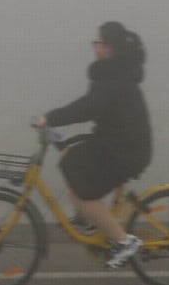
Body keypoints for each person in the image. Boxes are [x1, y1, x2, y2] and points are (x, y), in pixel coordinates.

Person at [33, 21, 152, 269]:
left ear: (109, 48)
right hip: (117, 143)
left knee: (81, 191)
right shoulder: (114, 73)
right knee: (72, 162)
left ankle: (123, 241)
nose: (94, 47)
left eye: (97, 43)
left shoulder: (113, 77)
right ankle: (90, 220)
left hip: (125, 150)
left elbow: (87, 107)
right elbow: (91, 105)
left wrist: (50, 117)